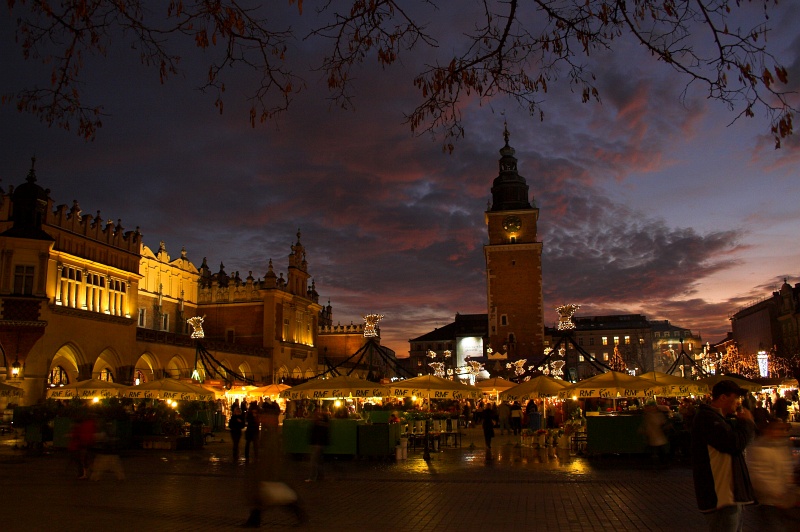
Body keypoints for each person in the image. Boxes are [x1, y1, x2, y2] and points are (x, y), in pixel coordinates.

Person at [691, 379, 757, 531]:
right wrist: (746, 423)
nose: (738, 402)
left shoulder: (719, 419)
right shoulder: (707, 418)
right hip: (720, 495)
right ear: (723, 398)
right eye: (736, 398)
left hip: (728, 493)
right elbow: (733, 444)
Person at [746, 420, 797, 531]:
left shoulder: (782, 447)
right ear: (768, 431)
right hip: (768, 501)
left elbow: (787, 468)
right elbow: (757, 475)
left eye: (783, 430)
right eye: (778, 429)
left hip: (784, 500)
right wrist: (775, 492)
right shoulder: (759, 449)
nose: (781, 433)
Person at [307, 409, 330, 482]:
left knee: (313, 461)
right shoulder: (322, 424)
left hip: (318, 444)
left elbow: (316, 434)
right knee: (319, 461)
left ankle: (312, 477)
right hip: (320, 443)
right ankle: (320, 476)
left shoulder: (318, 424)